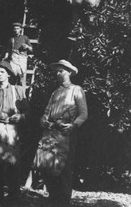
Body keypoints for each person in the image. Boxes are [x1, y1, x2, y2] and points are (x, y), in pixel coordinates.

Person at [40, 60, 88, 207]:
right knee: (47, 166)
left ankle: (63, 202)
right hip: (51, 132)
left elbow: (83, 114)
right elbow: (46, 113)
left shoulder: (76, 90)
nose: (57, 73)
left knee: (64, 169)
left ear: (69, 72)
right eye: (56, 71)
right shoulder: (55, 93)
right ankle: (53, 199)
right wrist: (43, 120)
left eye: (60, 71)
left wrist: (73, 126)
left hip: (66, 133)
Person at [0, 61, 29, 204]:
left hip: (12, 129)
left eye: (2, 72)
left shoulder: (18, 91)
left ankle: (13, 198)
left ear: (8, 74)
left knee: (13, 165)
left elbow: (28, 112)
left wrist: (21, 117)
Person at [4, 22, 33, 87]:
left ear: (20, 29)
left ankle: (22, 95)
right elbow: (8, 51)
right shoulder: (11, 39)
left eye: (17, 28)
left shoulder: (25, 38)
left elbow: (31, 49)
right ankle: (12, 94)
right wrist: (5, 59)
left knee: (22, 77)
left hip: (22, 59)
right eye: (14, 29)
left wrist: (27, 46)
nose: (16, 30)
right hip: (13, 59)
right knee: (12, 77)